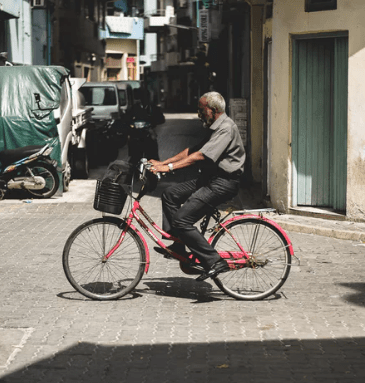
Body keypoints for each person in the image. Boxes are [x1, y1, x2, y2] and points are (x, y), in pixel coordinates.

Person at [149, 91, 245, 281]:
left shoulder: (226, 128)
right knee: (170, 194)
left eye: (202, 110)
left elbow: (201, 156)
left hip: (223, 183)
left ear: (213, 110)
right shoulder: (215, 127)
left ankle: (214, 261)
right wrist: (162, 163)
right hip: (210, 178)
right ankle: (178, 244)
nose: (199, 113)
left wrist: (168, 168)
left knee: (182, 220)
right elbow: (192, 151)